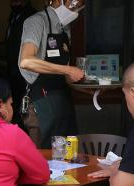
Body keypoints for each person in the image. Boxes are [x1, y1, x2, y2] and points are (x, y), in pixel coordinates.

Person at [18, 0, 85, 148]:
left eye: (79, 6)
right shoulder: (36, 21)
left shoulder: (64, 28)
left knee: (68, 154)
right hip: (41, 101)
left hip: (62, 100)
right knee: (42, 157)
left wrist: (90, 88)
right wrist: (68, 70)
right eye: (73, 4)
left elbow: (65, 76)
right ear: (56, 1)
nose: (76, 9)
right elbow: (26, 61)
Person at [6, 0, 37, 127]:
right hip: (13, 64)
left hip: (25, 67)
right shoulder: (13, 15)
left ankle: (22, 128)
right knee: (14, 97)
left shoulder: (33, 16)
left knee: (23, 101)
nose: (13, 3)